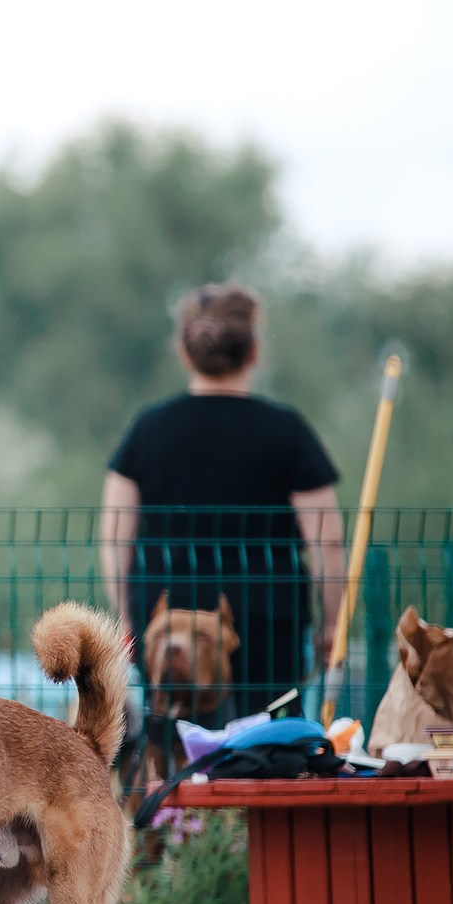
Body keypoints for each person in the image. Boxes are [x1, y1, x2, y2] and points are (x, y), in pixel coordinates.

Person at [101, 284, 343, 723]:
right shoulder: (287, 431)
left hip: (166, 622)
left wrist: (126, 616)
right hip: (267, 624)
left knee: (175, 748)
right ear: (253, 351)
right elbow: (326, 540)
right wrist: (332, 625)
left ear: (184, 351)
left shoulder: (147, 429)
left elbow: (115, 535)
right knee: (269, 748)